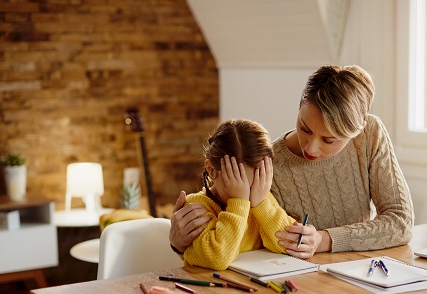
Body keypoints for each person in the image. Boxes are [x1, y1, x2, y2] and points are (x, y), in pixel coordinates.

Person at [170, 64, 414, 259]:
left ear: (358, 130)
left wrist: (323, 240)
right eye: (305, 129)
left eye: (329, 140)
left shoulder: (371, 134)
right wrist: (179, 244)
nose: (311, 147)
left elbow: (400, 223)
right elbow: (239, 224)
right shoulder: (268, 165)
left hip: (365, 268)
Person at [178, 119, 297, 270]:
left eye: (254, 183)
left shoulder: (259, 199)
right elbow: (217, 258)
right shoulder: (196, 206)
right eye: (236, 182)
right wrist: (238, 202)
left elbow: (291, 244)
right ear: (211, 169)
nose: (246, 194)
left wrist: (262, 205)